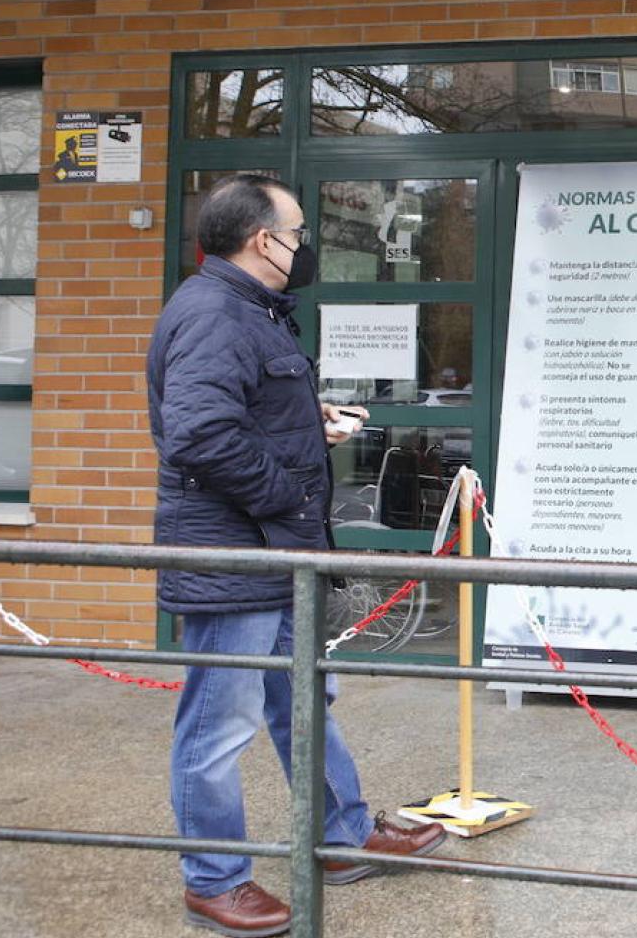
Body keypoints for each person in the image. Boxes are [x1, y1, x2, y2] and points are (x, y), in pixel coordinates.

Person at [147, 174, 445, 937]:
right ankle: (214, 881)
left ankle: (343, 836)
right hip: (235, 562)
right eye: (298, 232)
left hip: (276, 556)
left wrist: (310, 420)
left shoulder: (251, 312)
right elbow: (201, 435)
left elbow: (241, 412)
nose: (304, 245)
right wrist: (288, 492)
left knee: (302, 701)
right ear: (263, 240)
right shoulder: (214, 314)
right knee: (219, 727)